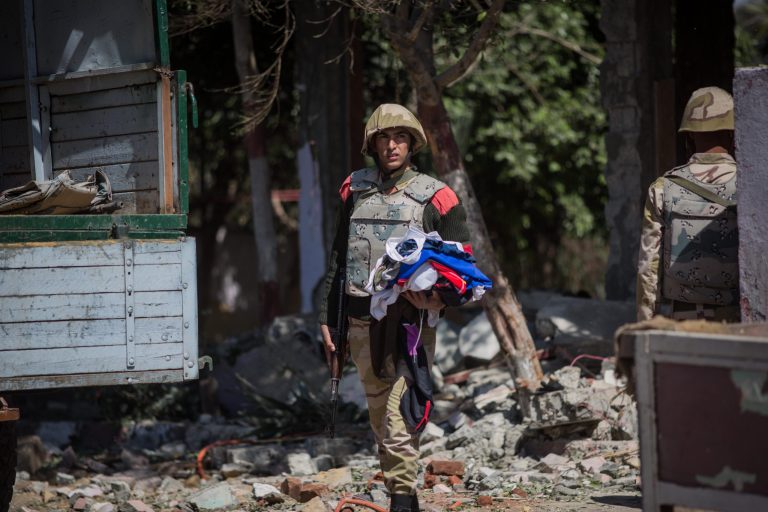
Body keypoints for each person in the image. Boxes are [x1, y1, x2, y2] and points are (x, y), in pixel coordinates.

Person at [319, 103, 471, 512]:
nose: (392, 145)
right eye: (384, 138)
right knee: (378, 418)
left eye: (400, 137)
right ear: (373, 144)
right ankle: (403, 495)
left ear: (413, 143)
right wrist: (326, 321)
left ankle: (402, 499)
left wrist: (436, 297)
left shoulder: (436, 196)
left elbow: (464, 268)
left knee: (400, 413)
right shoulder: (354, 190)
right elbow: (339, 260)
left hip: (411, 325)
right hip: (358, 320)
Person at [636, 86, 739, 322]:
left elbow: (648, 270)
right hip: (738, 322)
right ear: (733, 133)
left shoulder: (662, 188)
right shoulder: (751, 189)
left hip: (683, 322)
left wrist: (644, 326)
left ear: (690, 134)